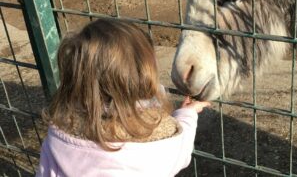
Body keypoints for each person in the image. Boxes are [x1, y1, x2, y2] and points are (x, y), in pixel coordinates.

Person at [36, 18, 210, 177]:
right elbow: (182, 150)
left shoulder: (60, 133)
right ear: (144, 71)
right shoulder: (160, 138)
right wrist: (187, 114)